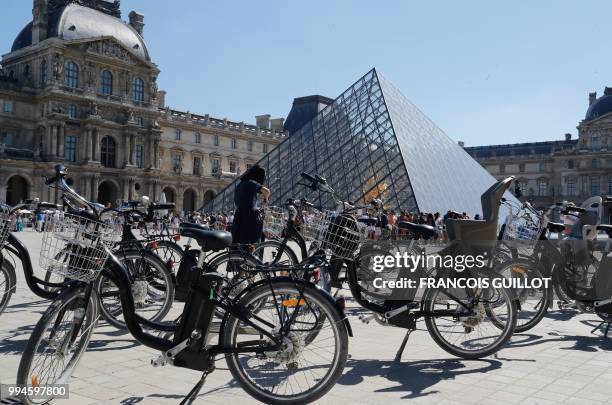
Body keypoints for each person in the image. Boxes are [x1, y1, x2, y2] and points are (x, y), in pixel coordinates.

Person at [231, 165, 270, 244]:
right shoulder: (250, 183)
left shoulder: (240, 185)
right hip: (250, 217)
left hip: (239, 216)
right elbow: (267, 191)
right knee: (253, 242)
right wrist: (266, 200)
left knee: (239, 242)